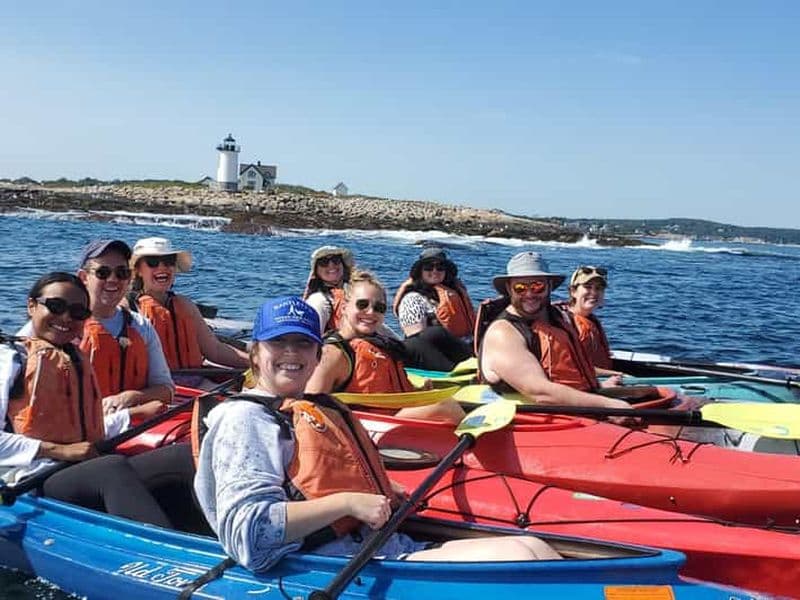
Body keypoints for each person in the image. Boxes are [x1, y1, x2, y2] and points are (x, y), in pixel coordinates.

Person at [193, 296, 560, 572]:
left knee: (534, 548)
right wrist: (348, 503)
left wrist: (381, 491)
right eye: (278, 343)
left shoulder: (314, 407)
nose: (292, 353)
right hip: (328, 567)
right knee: (522, 559)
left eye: (303, 343)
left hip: (377, 547)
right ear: (256, 353)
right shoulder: (246, 420)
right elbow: (250, 538)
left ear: (318, 354)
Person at [0, 272, 178, 527]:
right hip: (31, 478)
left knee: (178, 456)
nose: (65, 318)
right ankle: (166, 554)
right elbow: (66, 446)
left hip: (76, 466)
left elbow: (83, 428)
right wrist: (59, 451)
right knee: (111, 468)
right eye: (56, 306)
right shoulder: (9, 359)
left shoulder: (72, 358)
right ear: (31, 305)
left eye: (77, 312)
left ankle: (223, 544)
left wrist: (131, 415)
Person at [305, 270, 465, 424]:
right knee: (444, 406)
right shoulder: (333, 353)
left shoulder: (380, 345)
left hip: (393, 418)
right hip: (370, 428)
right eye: (362, 304)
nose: (370, 312)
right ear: (345, 306)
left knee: (445, 400)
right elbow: (309, 407)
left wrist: (418, 391)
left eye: (379, 308)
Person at [477, 252, 632, 409]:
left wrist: (600, 387)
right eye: (520, 288)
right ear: (509, 289)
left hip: (580, 406)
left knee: (654, 394)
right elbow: (540, 392)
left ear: (549, 286)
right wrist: (609, 404)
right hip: (538, 418)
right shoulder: (503, 333)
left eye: (538, 286)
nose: (529, 294)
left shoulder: (559, 318)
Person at [76, 239, 174, 415]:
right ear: (84, 278)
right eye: (103, 273)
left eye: (121, 273)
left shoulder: (141, 326)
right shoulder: (62, 325)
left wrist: (130, 397)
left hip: (134, 426)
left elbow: (166, 390)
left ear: (129, 277)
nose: (113, 280)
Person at [127, 236, 249, 374]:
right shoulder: (127, 308)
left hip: (194, 378)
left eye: (168, 261)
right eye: (152, 262)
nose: (162, 267)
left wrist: (256, 363)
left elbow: (215, 350)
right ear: (138, 270)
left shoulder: (185, 305)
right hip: (156, 387)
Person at [392, 246, 474, 372]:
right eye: (428, 267)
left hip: (464, 350)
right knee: (435, 333)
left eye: (440, 267)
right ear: (420, 271)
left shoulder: (456, 294)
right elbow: (418, 343)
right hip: (433, 358)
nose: (435, 271)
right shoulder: (412, 299)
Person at [558, 266, 621, 381]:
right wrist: (618, 375)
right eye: (588, 287)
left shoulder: (591, 321)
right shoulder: (562, 323)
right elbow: (569, 366)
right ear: (573, 292)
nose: (594, 292)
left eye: (599, 288)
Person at [303, 245, 355, 335]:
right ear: (316, 271)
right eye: (324, 262)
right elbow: (312, 336)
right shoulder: (318, 300)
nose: (331, 265)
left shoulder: (354, 293)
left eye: (336, 260)